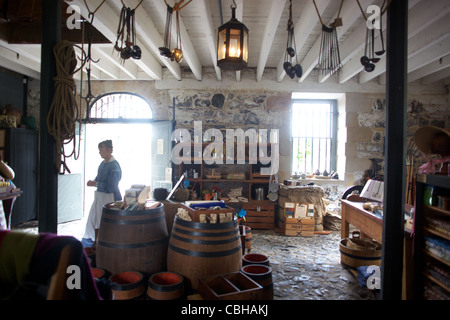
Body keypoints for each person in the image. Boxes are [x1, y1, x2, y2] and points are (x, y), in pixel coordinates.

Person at [81, 140, 122, 248]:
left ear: (108, 150)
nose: (99, 152)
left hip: (110, 198)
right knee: (94, 219)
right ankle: (96, 242)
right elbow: (99, 178)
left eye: (101, 150)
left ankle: (104, 243)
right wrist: (94, 182)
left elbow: (111, 187)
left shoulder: (115, 166)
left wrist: (96, 183)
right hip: (100, 197)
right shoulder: (103, 164)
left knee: (105, 222)